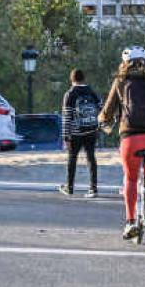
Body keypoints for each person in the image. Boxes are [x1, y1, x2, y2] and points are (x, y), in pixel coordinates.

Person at [99, 46, 145, 240]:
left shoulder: (120, 82)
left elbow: (107, 111)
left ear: (124, 63)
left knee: (131, 179)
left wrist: (103, 120)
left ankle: (131, 222)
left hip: (131, 138)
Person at [59, 68, 101, 198]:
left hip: (76, 132)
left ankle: (69, 187)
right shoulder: (91, 91)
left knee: (72, 158)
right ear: (84, 78)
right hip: (91, 130)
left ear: (72, 79)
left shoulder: (70, 93)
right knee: (91, 158)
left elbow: (67, 117)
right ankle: (93, 188)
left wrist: (66, 136)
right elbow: (101, 108)